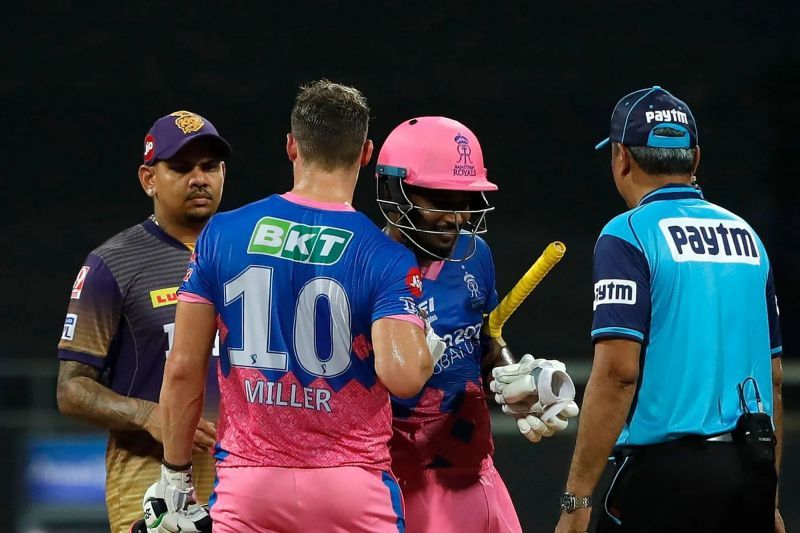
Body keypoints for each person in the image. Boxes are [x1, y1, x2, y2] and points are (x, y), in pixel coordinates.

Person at [147, 80, 437, 533]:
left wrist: (175, 476)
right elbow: (404, 378)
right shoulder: (383, 254)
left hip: (249, 489)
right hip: (353, 489)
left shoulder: (222, 233)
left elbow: (183, 368)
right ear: (365, 152)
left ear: (291, 146)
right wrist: (420, 343)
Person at [555, 86, 784, 533]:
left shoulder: (628, 234)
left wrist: (577, 499)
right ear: (694, 158)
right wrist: (769, 498)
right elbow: (774, 381)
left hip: (667, 480)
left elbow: (618, 372)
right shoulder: (748, 237)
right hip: (749, 470)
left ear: (621, 157)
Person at [376, 116, 577, 533]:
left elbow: (483, 336)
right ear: (396, 193)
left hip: (476, 473)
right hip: (392, 483)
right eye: (441, 200)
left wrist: (512, 377)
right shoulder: (360, 264)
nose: (458, 218)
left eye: (464, 201)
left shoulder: (474, 253)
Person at [56, 110, 231, 533]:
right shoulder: (112, 264)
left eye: (210, 167)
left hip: (244, 477)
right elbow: (70, 389)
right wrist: (148, 414)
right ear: (149, 179)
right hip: (148, 485)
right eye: (182, 168)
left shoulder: (247, 254)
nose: (199, 178)